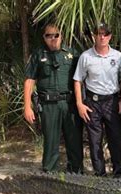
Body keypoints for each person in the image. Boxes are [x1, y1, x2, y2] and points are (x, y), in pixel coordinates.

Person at [23, 23, 83, 173]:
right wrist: (27, 106)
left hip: (69, 104)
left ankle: (76, 171)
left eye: (56, 35)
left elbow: (81, 78)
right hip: (49, 105)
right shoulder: (38, 55)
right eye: (49, 35)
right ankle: (50, 173)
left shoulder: (72, 54)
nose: (53, 38)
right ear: (44, 37)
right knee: (51, 140)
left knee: (74, 139)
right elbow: (29, 80)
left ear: (61, 36)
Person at [73, 23, 121, 177]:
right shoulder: (86, 57)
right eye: (99, 34)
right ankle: (100, 174)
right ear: (94, 36)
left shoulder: (118, 57)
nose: (102, 37)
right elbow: (78, 80)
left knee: (116, 139)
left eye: (106, 34)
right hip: (93, 102)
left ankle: (119, 174)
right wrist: (79, 104)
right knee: (94, 140)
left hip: (112, 101)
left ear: (110, 36)